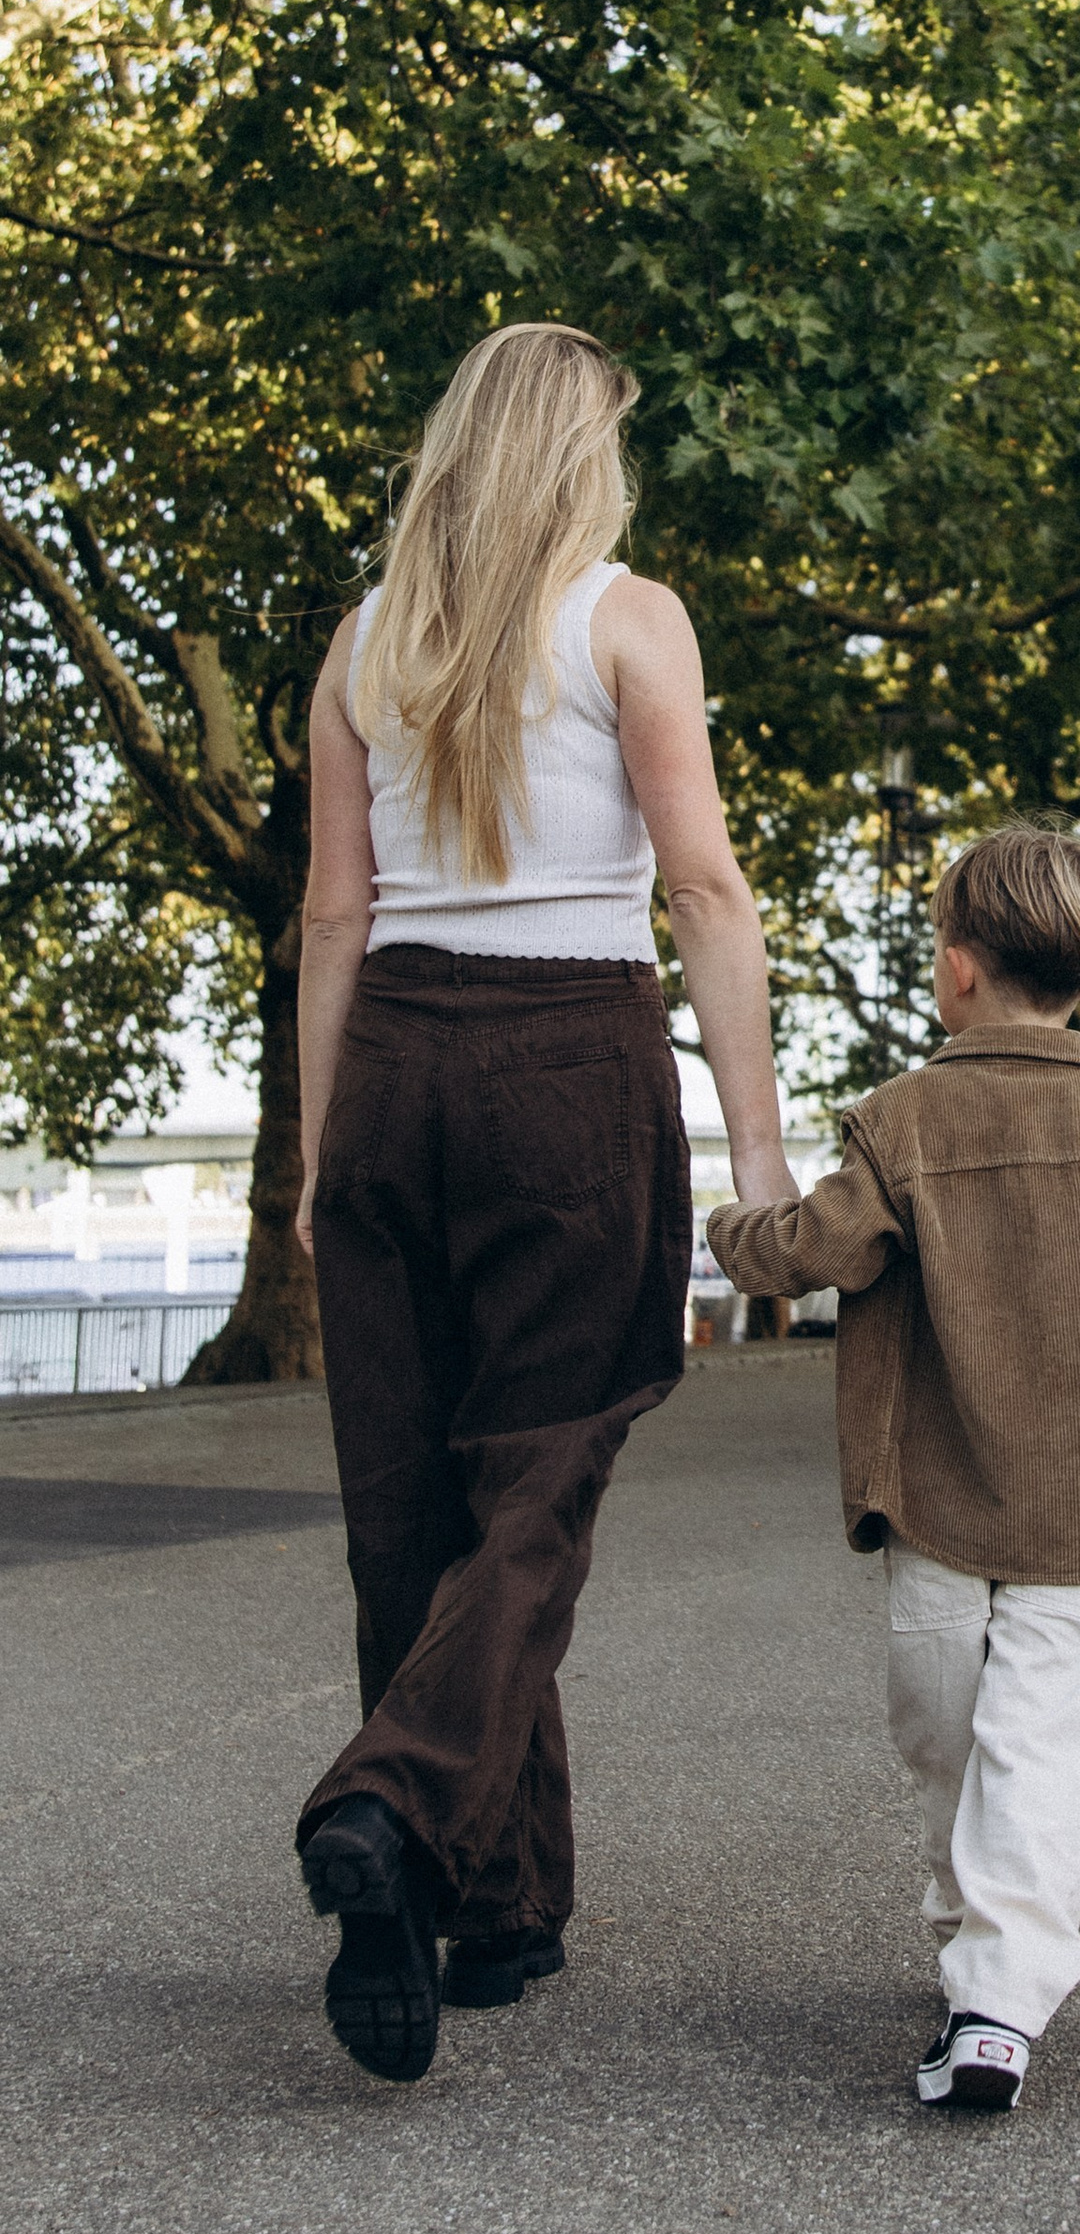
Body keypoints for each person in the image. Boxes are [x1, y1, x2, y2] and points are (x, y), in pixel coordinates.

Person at [294, 325, 795, 2084]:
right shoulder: (627, 619)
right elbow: (709, 893)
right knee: (542, 1480)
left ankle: (487, 1913)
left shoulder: (362, 644)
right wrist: (759, 1155)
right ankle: (391, 1801)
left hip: (397, 1071)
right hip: (568, 1061)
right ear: (586, 455)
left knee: (408, 1507)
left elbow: (334, 920)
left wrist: (313, 1157)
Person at [710, 819, 1080, 2116]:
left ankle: (997, 2004)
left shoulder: (899, 1124)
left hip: (935, 1500)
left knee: (948, 1731)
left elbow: (816, 1249)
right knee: (1027, 1752)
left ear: (961, 969)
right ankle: (983, 1938)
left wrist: (720, 1230)